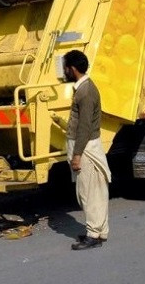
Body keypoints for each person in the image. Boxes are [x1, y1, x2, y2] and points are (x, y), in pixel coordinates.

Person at [63, 50, 111, 250]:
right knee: (95, 191)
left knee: (88, 192)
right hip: (86, 146)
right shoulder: (84, 89)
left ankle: (93, 234)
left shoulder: (86, 92)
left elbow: (84, 127)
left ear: (72, 69)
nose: (64, 71)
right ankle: (99, 232)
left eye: (65, 67)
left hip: (85, 148)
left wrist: (77, 155)